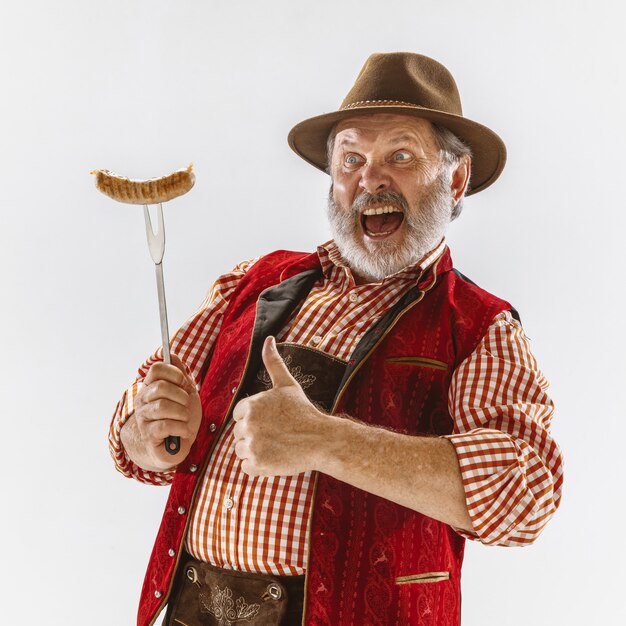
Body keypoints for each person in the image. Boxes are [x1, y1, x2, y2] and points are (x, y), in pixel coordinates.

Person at [109, 52, 564, 626]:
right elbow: (135, 436)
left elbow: (525, 495)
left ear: (455, 177)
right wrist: (148, 431)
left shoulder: (479, 328)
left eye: (400, 155)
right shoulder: (251, 283)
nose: (369, 178)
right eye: (351, 158)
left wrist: (326, 440)